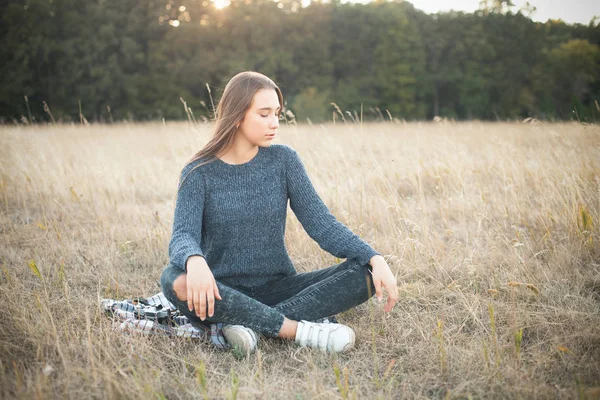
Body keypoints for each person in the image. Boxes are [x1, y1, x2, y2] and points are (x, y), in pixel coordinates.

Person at [160, 71, 398, 355]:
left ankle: (245, 325)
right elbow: (182, 235)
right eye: (264, 114)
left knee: (366, 274)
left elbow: (320, 223)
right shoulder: (198, 173)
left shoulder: (284, 160)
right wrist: (194, 260)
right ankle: (296, 330)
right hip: (220, 291)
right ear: (236, 116)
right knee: (173, 277)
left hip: (279, 286)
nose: (274, 123)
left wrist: (374, 256)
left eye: (277, 114)